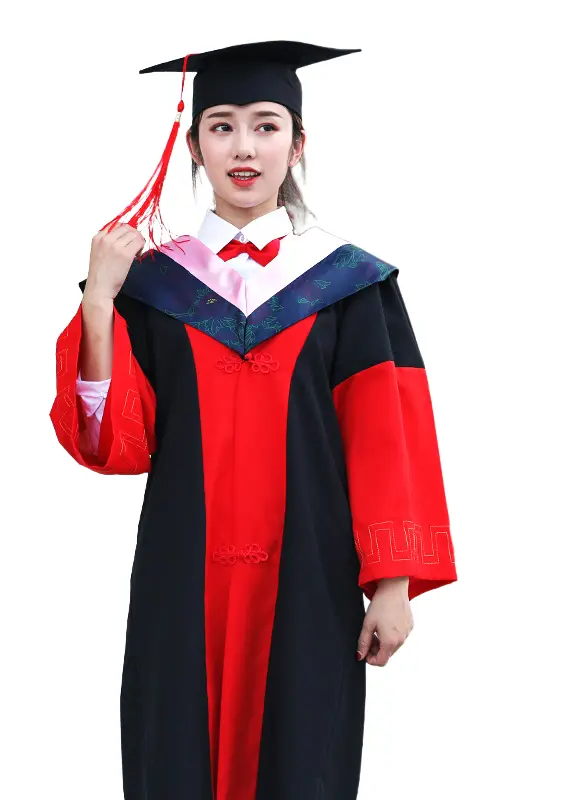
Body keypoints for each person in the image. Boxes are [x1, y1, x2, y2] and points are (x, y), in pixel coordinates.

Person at [49, 40, 457, 800]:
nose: (244, 147)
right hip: (182, 571)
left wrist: (392, 582)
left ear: (298, 145)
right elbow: (112, 445)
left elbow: (385, 436)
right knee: (175, 755)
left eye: (267, 126)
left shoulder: (347, 283)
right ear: (194, 147)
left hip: (310, 572)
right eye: (222, 126)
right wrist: (99, 301)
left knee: (301, 760)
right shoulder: (151, 287)